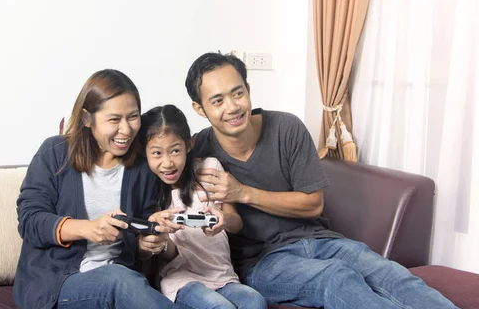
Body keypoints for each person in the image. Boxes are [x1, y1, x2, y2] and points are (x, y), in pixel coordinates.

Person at [184, 52, 457, 309]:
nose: (232, 107)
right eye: (217, 101)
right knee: (335, 278)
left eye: (238, 93)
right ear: (199, 108)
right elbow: (159, 161)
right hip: (262, 262)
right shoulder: (198, 150)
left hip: (321, 239)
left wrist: (243, 193)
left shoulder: (285, 128)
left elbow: (313, 204)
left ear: (248, 90)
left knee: (392, 274)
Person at [13, 69, 175, 309]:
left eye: (133, 117)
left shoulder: (142, 169)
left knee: (122, 278)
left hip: (122, 281)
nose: (126, 129)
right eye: (114, 119)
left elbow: (137, 251)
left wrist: (147, 244)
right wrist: (88, 229)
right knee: (118, 280)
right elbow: (30, 221)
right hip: (59, 285)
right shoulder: (55, 154)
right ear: (88, 119)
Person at [139, 104, 267, 309]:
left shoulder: (211, 168)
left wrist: (224, 220)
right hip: (183, 280)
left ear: (189, 145)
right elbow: (169, 254)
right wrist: (162, 238)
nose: (167, 163)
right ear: (145, 153)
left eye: (175, 150)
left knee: (255, 301)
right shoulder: (151, 194)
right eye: (157, 153)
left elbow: (236, 222)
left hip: (222, 275)